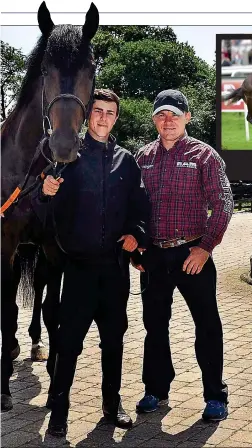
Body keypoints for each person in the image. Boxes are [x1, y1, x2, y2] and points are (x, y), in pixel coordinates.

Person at [31, 89, 150, 437]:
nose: (102, 117)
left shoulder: (126, 161)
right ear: (87, 116)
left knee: (114, 341)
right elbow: (43, 213)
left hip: (114, 269)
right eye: (97, 111)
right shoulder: (67, 158)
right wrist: (44, 193)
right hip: (79, 269)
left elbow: (140, 209)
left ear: (116, 118)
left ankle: (112, 406)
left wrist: (136, 235)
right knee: (68, 344)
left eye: (109, 112)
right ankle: (59, 412)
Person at [134, 90, 234, 421]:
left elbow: (223, 202)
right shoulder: (143, 157)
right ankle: (156, 389)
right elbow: (133, 206)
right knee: (154, 326)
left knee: (207, 325)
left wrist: (206, 247)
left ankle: (214, 394)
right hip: (154, 257)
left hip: (192, 255)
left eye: (175, 114)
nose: (168, 120)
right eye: (162, 114)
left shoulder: (204, 155)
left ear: (187, 117)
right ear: (154, 120)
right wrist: (136, 245)